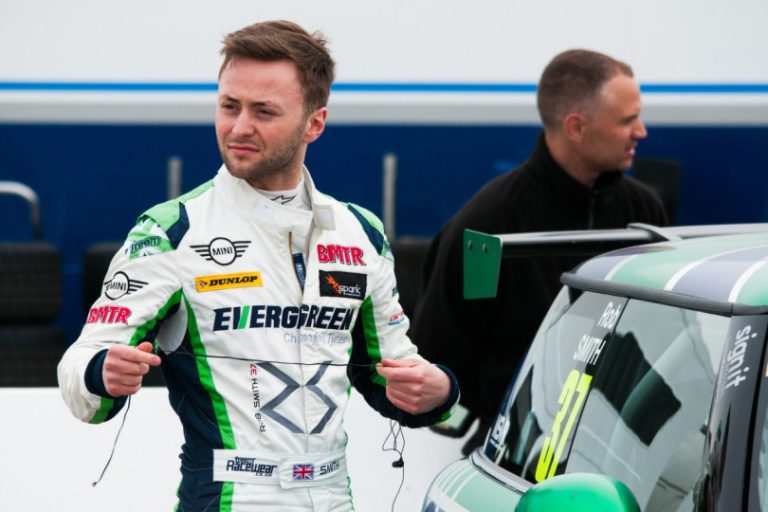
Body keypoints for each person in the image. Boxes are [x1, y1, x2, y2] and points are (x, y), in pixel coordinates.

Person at [58, 20, 458, 511]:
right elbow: (79, 372)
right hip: (230, 496)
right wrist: (103, 371)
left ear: (314, 123)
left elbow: (390, 375)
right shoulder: (171, 231)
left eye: (263, 111)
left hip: (333, 495)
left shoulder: (360, 233)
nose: (239, 127)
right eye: (229, 106)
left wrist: (438, 391)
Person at [411, 49, 668, 455]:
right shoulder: (486, 227)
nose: (642, 132)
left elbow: (664, 338)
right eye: (627, 120)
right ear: (576, 127)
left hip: (627, 455)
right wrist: (497, 428)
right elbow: (438, 361)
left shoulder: (644, 214)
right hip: (516, 461)